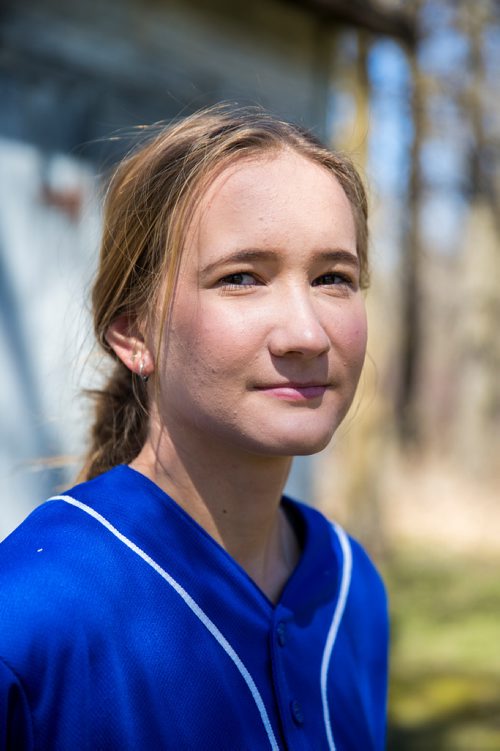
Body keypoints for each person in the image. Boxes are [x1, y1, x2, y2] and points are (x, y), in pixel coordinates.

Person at [0, 105, 388, 750]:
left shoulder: (352, 589)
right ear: (133, 332)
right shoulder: (29, 616)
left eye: (332, 278)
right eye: (241, 278)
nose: (307, 333)